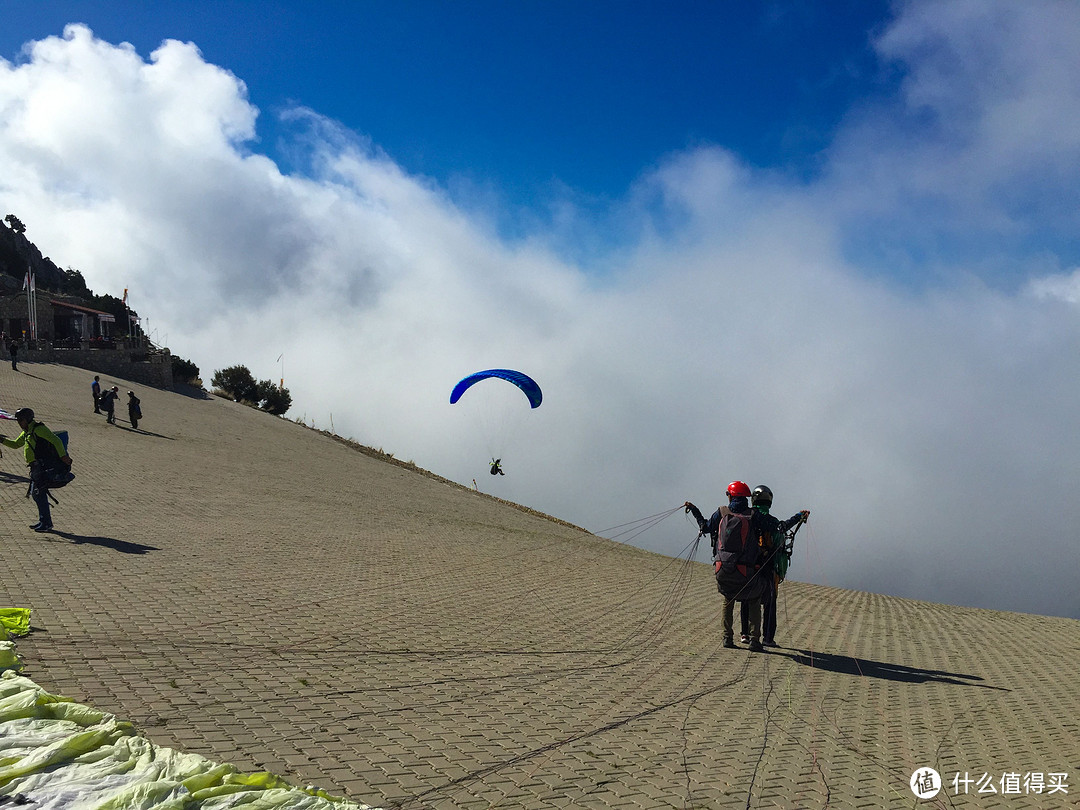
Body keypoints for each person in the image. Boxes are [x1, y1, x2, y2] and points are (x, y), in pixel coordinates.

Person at [687, 481, 765, 651]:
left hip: (723, 568)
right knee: (753, 599)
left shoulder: (722, 512)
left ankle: (727, 638)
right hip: (746, 570)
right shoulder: (754, 514)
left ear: (731, 496)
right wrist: (797, 518)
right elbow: (774, 527)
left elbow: (705, 527)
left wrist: (694, 510)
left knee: (728, 600)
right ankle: (754, 640)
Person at [748, 485, 809, 647]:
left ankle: (745, 634)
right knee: (769, 602)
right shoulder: (772, 521)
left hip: (748, 564)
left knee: (748, 598)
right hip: (769, 568)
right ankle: (768, 638)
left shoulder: (746, 517)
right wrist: (798, 517)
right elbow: (783, 526)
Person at [0, 407, 72, 532]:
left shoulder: (39, 429)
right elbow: (16, 444)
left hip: (42, 467)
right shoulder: (28, 432)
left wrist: (63, 456)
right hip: (35, 468)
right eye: (18, 420)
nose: (19, 423)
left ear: (27, 419)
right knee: (38, 494)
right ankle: (44, 521)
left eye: (21, 420)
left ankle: (46, 523)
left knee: (38, 493)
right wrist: (1, 439)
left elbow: (56, 440)